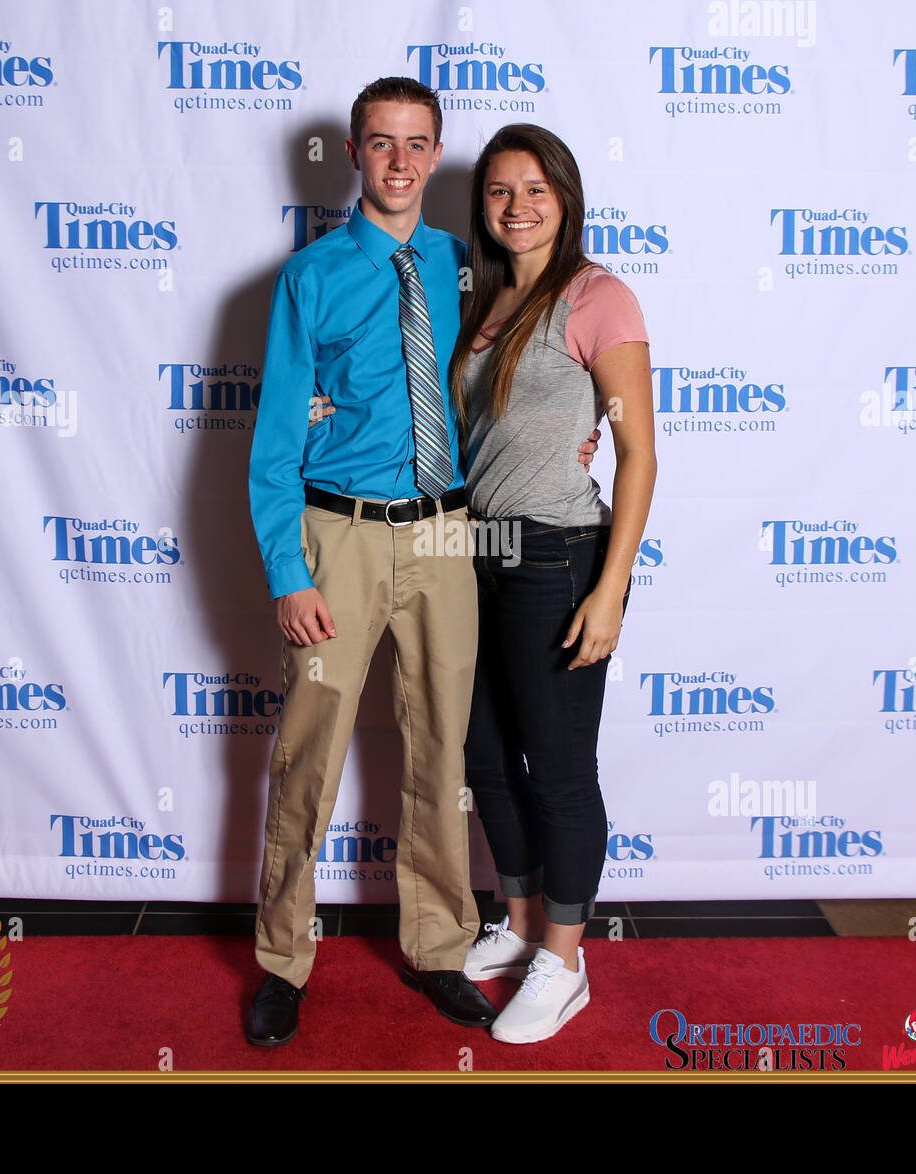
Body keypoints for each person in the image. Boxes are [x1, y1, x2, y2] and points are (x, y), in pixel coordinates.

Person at [245, 80, 598, 1048]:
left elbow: (523, 372)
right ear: (355, 155)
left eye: (418, 144)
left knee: (444, 751)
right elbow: (274, 438)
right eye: (382, 143)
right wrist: (289, 570)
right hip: (340, 534)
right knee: (310, 754)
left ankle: (439, 945)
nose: (400, 161)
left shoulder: (465, 266)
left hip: (449, 532)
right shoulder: (309, 276)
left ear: (436, 153)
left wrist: (582, 431)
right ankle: (283, 956)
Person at [449, 124, 657, 1044]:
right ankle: (523, 918)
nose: (518, 206)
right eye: (500, 191)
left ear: (565, 197)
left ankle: (565, 963)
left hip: (560, 555)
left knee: (562, 773)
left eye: (535, 188)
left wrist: (610, 588)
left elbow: (638, 453)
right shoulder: (484, 301)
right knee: (483, 758)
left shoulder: (597, 296)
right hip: (477, 552)